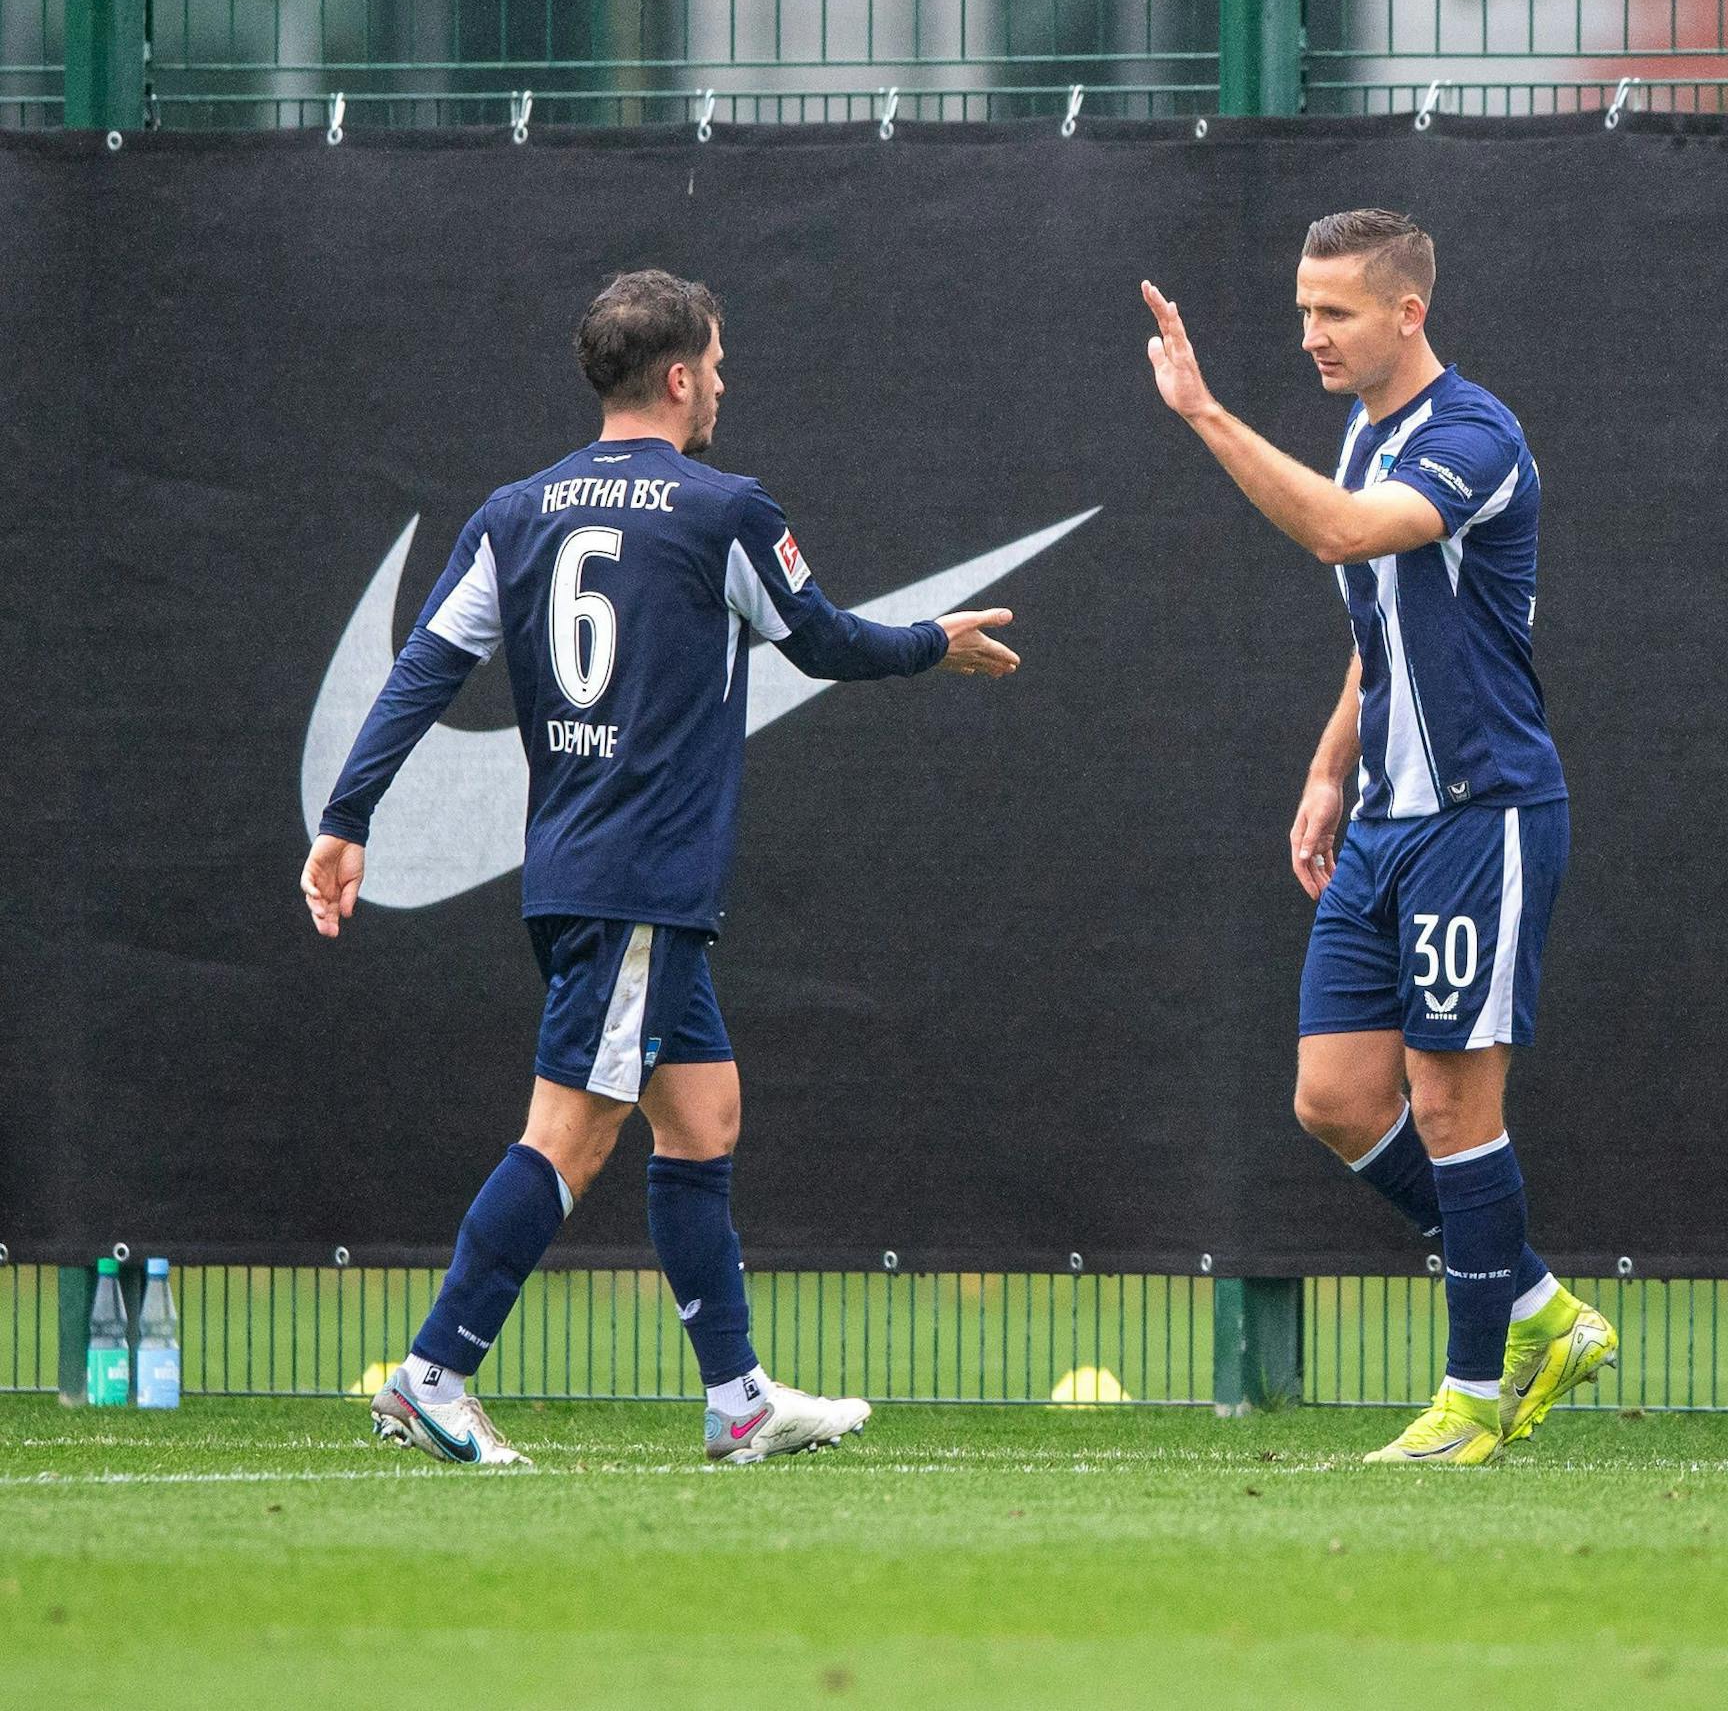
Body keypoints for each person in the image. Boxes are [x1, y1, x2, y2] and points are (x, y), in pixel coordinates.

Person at [300, 269, 1020, 1467]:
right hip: (637, 878)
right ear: (680, 376)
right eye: (719, 363)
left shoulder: (513, 511)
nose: (725, 381)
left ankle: (735, 1398)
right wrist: (929, 643)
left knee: (702, 1114)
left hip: (584, 869)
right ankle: (433, 1371)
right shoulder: (722, 508)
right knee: (570, 1135)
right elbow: (827, 639)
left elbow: (422, 668)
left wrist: (347, 813)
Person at [1142, 210, 1615, 1464]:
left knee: (1452, 1104)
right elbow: (1379, 632)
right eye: (1301, 310)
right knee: (1337, 1097)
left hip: (1482, 811)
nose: (1309, 335)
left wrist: (1201, 411)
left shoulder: (1473, 434)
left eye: (1334, 312)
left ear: (1408, 312)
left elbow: (1344, 534)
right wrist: (1324, 766)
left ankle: (1470, 1397)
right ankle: (1534, 1308)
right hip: (1384, 816)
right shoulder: (1364, 429)